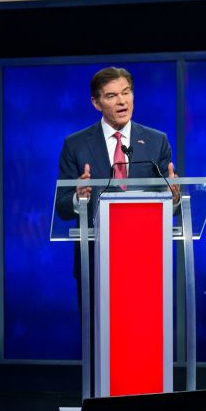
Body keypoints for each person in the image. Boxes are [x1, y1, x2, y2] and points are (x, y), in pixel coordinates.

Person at [55, 67, 180, 303]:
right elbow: (61, 207)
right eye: (111, 96)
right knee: (96, 337)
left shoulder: (157, 141)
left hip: (146, 261)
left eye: (126, 92)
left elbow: (169, 199)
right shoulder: (76, 145)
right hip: (95, 263)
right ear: (96, 102)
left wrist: (172, 197)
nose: (122, 101)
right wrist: (78, 197)